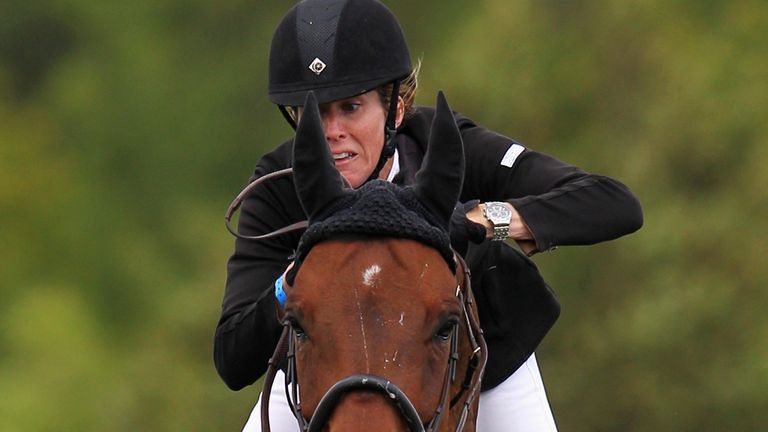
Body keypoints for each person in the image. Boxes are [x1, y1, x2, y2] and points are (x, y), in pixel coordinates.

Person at [214, 0, 643, 431]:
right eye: (314, 113)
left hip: (481, 363)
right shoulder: (277, 186)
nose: (332, 133)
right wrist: (292, 284)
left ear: (396, 109)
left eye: (351, 107)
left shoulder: (446, 150)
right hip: (328, 374)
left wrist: (482, 220)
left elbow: (612, 202)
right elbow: (233, 357)